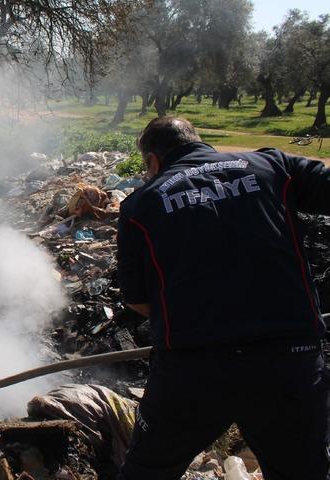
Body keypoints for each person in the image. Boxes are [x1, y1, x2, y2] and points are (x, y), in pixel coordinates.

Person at [116, 116, 330, 479]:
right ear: (198, 142)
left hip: (192, 370)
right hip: (289, 364)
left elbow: (138, 302)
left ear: (153, 161)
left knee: (147, 471)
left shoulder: (140, 205)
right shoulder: (272, 165)